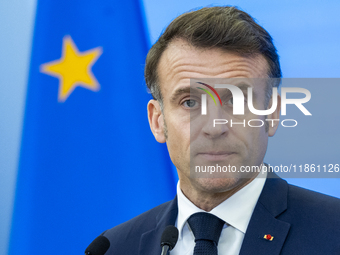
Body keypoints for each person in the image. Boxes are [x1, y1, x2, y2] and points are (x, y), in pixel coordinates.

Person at [87, 6, 340, 255]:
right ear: (157, 120)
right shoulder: (116, 248)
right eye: (190, 102)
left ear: (272, 114)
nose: (214, 127)